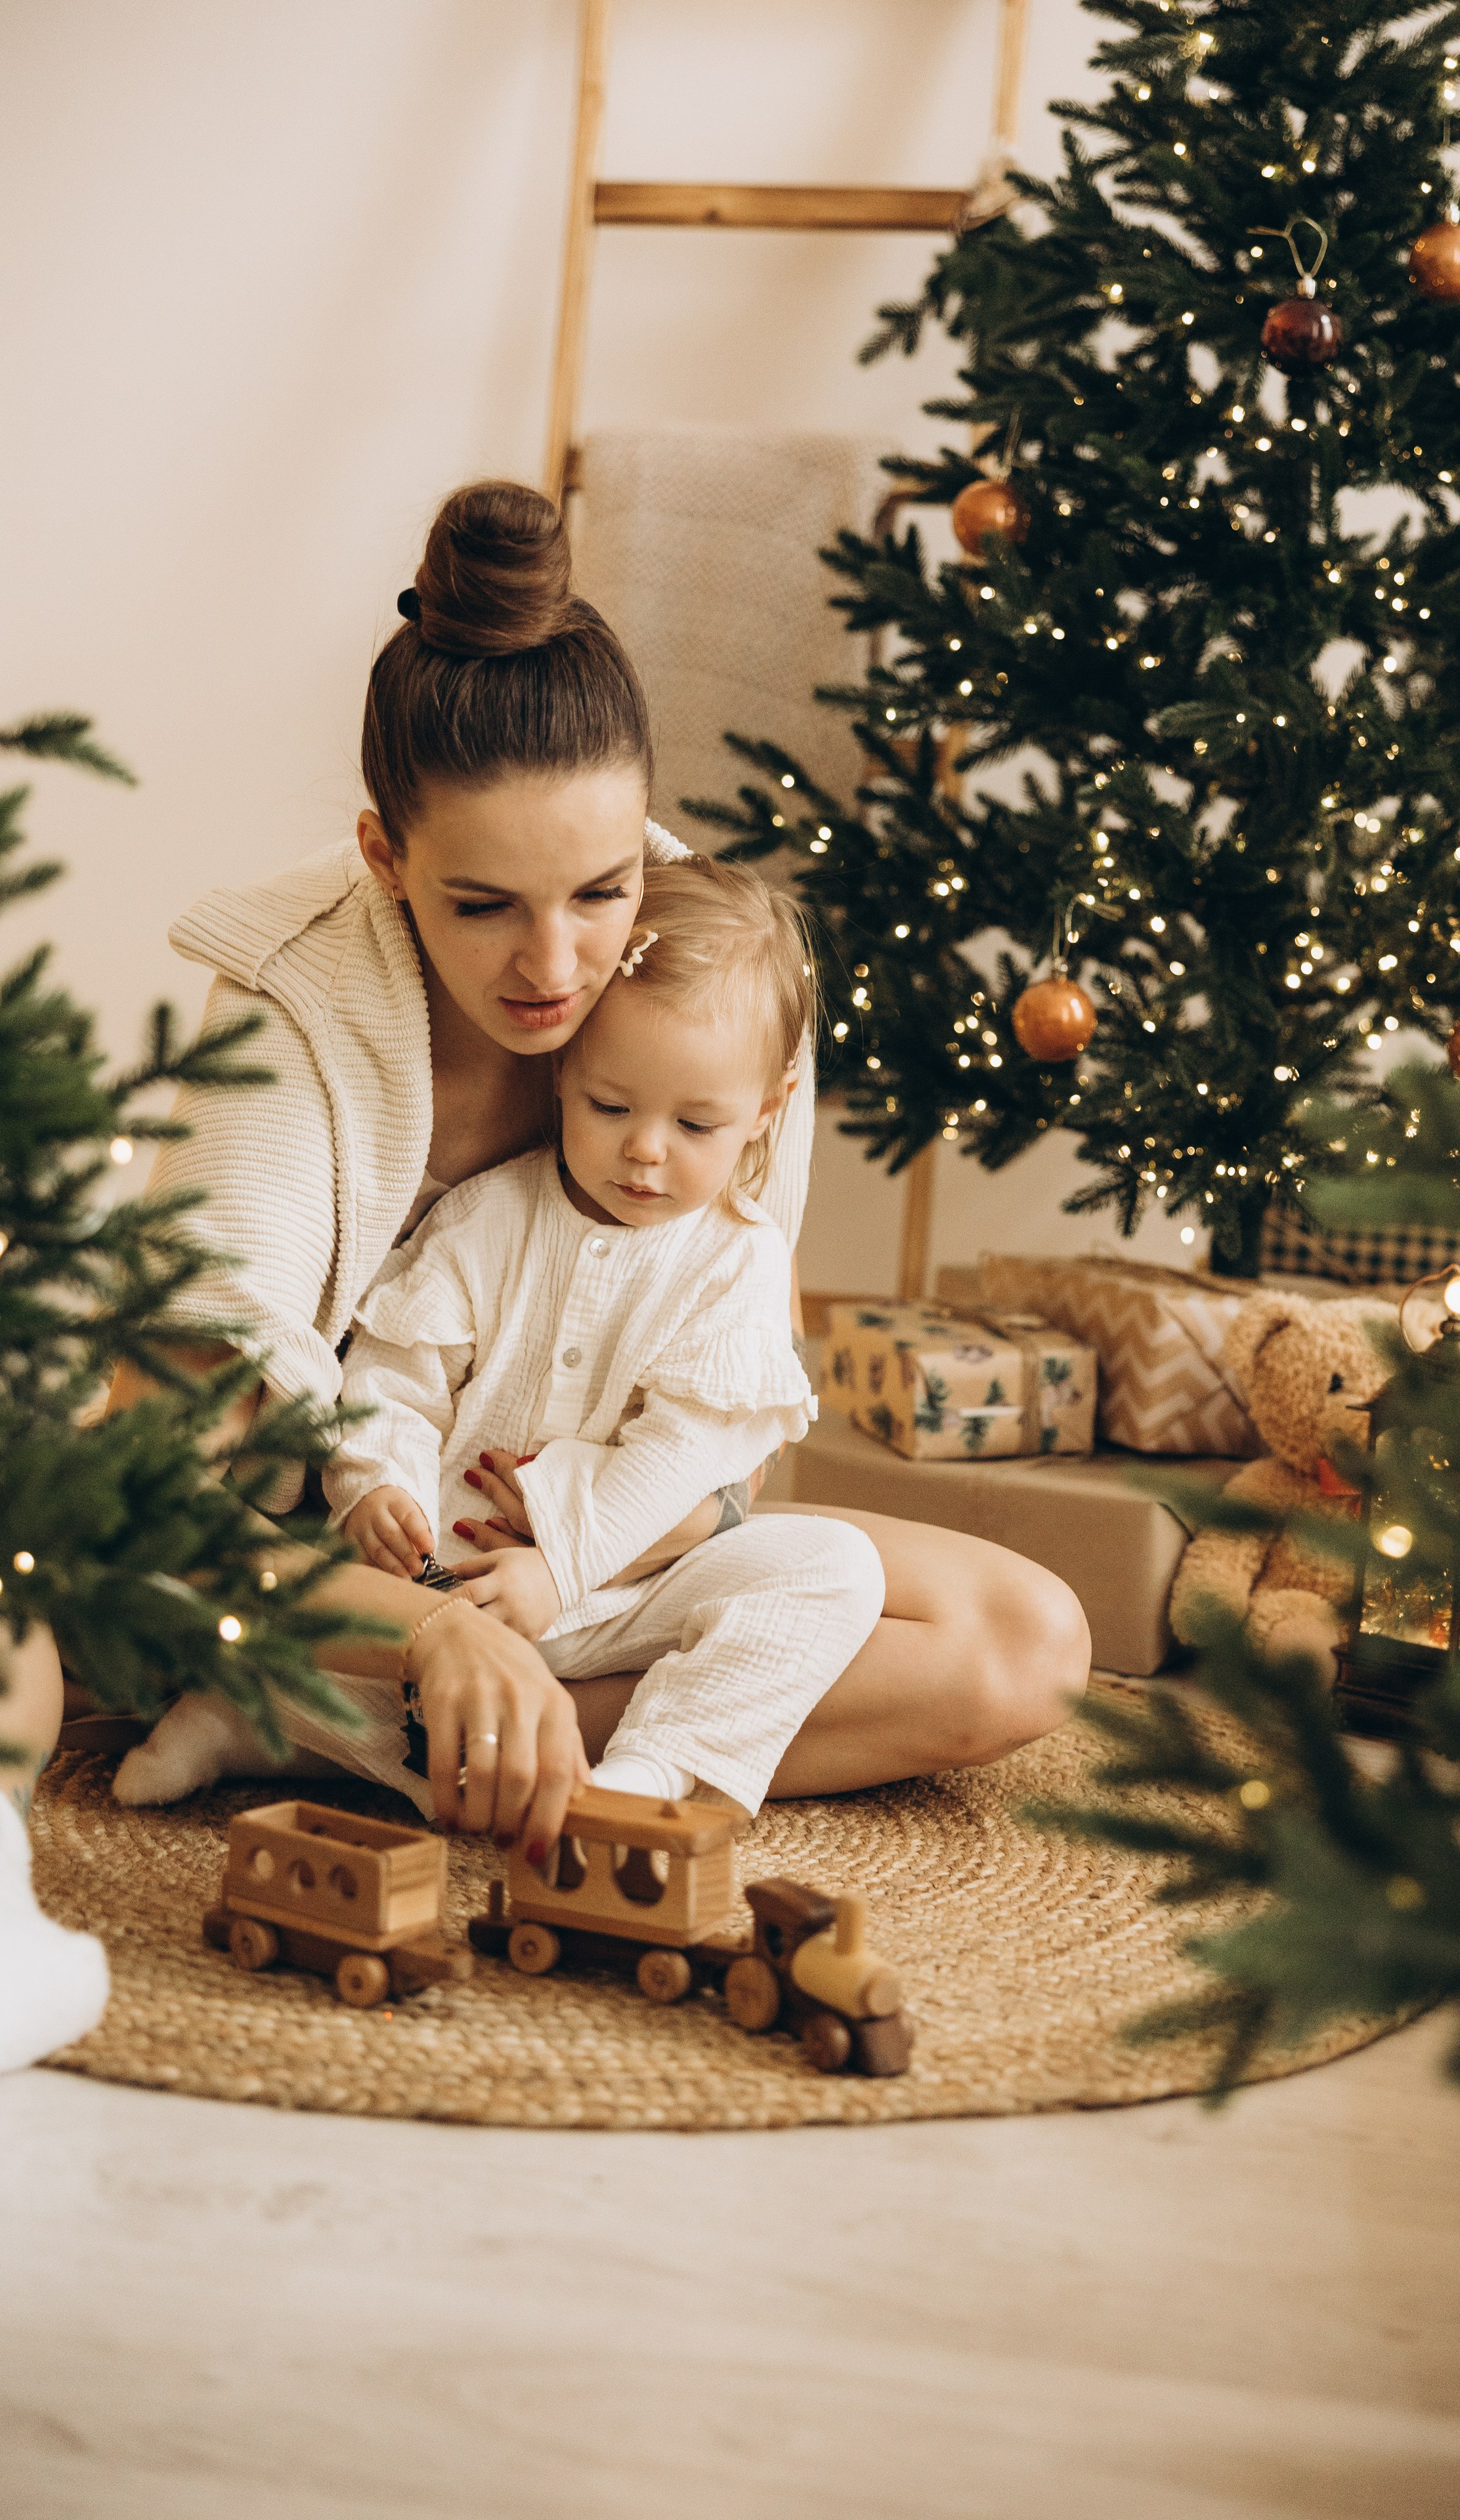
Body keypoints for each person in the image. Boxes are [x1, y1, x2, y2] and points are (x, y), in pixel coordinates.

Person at [36, 478, 1086, 1860]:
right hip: (326, 1552)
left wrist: (552, 1583)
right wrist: (429, 1633)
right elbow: (161, 1498)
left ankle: (346, 1737)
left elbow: (722, 1457)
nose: (554, 969)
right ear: (386, 858)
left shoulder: (711, 986)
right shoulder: (296, 1009)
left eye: (601, 892)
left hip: (576, 1556)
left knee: (1025, 1641)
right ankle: (386, 1695)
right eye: (482, 907)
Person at [326, 854, 886, 1823]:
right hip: (434, 1588)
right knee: (291, 1620)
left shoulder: (737, 1262)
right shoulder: (486, 1218)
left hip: (609, 1598)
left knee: (838, 1569)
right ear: (563, 1075)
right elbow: (396, 1375)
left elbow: (683, 1456)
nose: (645, 1149)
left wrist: (559, 1570)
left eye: (697, 1122)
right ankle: (259, 1728)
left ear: (767, 1110)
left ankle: (653, 1770)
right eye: (610, 1106)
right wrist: (375, 1483)